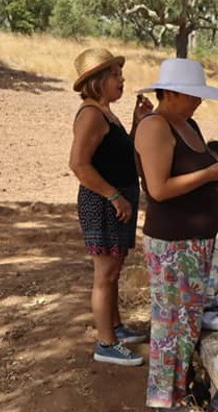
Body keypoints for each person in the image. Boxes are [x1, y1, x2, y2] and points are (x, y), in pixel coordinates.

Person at [134, 58, 218, 412]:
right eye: (190, 96)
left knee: (187, 319)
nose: (197, 102)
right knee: (172, 321)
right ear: (168, 93)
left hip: (195, 240)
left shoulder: (189, 124)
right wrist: (210, 173)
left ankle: (178, 386)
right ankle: (166, 402)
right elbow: (160, 189)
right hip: (174, 242)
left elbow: (196, 182)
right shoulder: (155, 127)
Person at [69, 47, 153, 367]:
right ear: (98, 81)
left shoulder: (106, 113)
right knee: (104, 273)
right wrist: (114, 196)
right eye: (115, 75)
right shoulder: (90, 114)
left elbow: (121, 155)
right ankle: (106, 343)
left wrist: (136, 122)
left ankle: (115, 327)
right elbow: (78, 164)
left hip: (114, 200)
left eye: (120, 74)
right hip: (102, 201)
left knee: (114, 270)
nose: (122, 80)